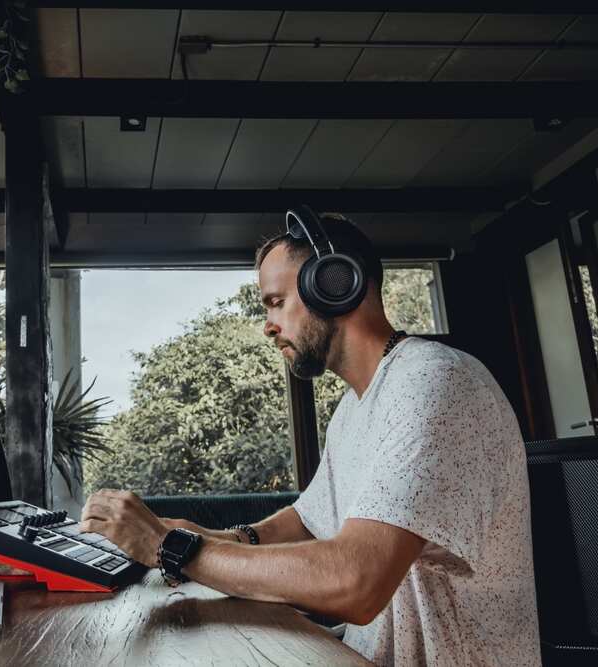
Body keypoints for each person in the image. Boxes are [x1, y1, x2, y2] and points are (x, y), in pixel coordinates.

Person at [79, 211, 540, 666]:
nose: (267, 325)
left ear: (336, 284)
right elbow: (306, 519)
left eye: (276, 302)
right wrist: (209, 536)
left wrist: (173, 549)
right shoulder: (355, 406)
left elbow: (356, 580)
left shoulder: (435, 380)